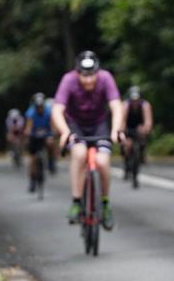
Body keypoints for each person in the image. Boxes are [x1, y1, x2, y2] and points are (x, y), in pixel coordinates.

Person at [51, 51, 124, 228]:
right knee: (79, 153)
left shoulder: (106, 78)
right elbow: (57, 109)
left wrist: (116, 130)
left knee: (103, 161)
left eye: (92, 75)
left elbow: (116, 106)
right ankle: (76, 201)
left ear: (97, 72)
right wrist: (64, 131)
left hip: (100, 124)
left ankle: (105, 204)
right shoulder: (68, 80)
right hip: (75, 124)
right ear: (78, 73)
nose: (89, 80)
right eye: (84, 76)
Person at [25, 92, 58, 191]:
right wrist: (28, 133)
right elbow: (29, 126)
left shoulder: (48, 112)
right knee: (33, 159)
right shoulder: (31, 113)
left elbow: (52, 125)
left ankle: (51, 162)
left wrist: (53, 133)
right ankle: (32, 181)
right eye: (37, 106)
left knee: (50, 143)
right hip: (34, 136)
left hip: (46, 134)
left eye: (41, 106)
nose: (40, 108)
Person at [122, 85, 153, 167]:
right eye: (133, 100)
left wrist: (146, 129)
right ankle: (126, 160)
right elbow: (123, 120)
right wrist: (123, 131)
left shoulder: (145, 105)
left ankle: (142, 154)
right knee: (125, 144)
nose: (135, 102)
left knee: (142, 139)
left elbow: (148, 120)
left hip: (139, 125)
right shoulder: (126, 105)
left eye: (137, 100)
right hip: (128, 125)